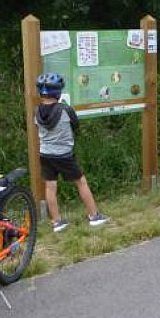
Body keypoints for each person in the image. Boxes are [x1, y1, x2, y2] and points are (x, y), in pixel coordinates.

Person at [34, 73, 109, 232]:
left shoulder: (37, 111)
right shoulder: (65, 110)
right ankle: (94, 216)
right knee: (81, 182)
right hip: (64, 154)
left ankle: (57, 222)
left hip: (45, 154)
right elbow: (75, 126)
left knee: (50, 186)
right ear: (58, 92)